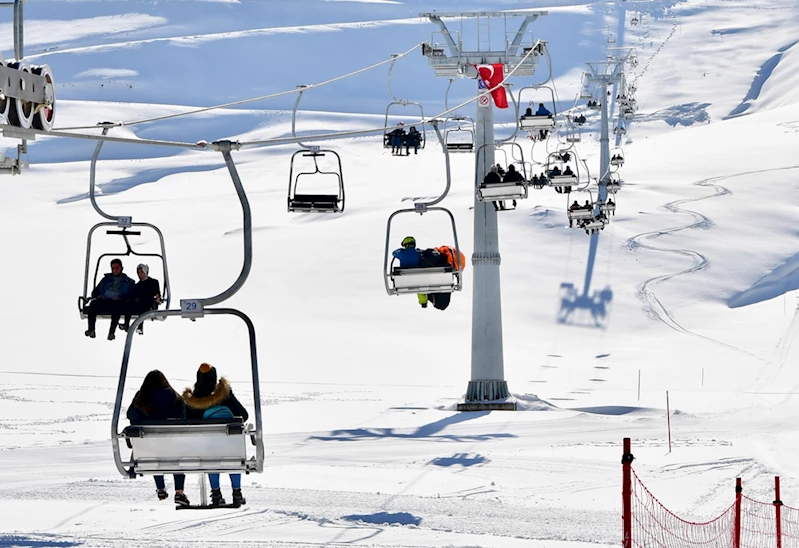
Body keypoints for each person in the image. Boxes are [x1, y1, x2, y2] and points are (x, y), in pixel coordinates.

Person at [184, 363, 249, 508]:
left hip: (206, 449)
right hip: (230, 447)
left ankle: (216, 494)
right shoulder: (225, 396)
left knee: (210, 454)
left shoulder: (192, 401)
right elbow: (244, 415)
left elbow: (186, 422)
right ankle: (237, 492)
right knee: (233, 454)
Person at [127, 370, 190, 506]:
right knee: (176, 456)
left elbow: (130, 415)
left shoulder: (141, 397)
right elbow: (183, 419)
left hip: (148, 447)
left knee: (154, 452)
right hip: (172, 445)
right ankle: (179, 492)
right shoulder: (175, 397)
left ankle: (161, 489)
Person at [85, 258, 134, 341]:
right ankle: (91, 329)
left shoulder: (128, 282)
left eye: (117, 268)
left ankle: (111, 332)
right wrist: (99, 295)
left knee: (117, 307)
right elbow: (94, 292)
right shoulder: (106, 279)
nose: (115, 270)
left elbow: (131, 295)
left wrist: (121, 298)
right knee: (93, 305)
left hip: (117, 302)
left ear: (122, 268)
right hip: (104, 300)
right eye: (113, 268)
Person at [120, 264, 161, 335]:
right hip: (138, 303)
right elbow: (133, 295)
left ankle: (140, 326)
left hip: (149, 303)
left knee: (144, 303)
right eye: (138, 272)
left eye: (141, 272)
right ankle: (126, 324)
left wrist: (157, 298)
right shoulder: (137, 285)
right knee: (129, 304)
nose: (140, 274)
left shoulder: (153, 282)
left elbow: (156, 293)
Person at [392, 236, 427, 308]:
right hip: (418, 279)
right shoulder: (419, 253)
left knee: (417, 282)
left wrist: (401, 249)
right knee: (419, 285)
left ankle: (423, 301)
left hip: (404, 281)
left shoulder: (402, 253)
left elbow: (394, 253)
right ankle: (423, 302)